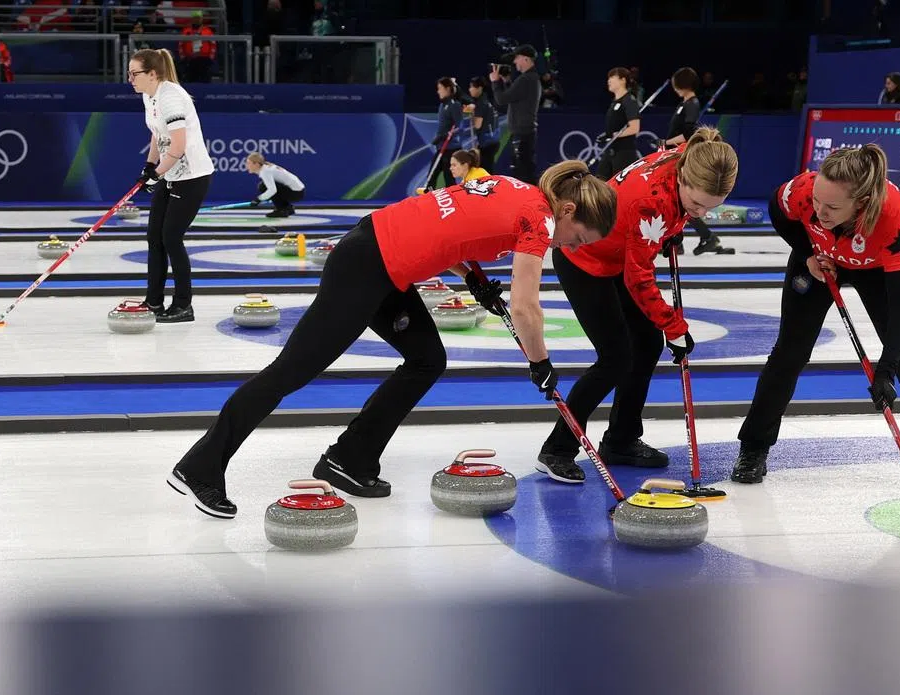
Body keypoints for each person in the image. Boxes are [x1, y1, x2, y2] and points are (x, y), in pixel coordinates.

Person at [169, 162, 619, 517]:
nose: (574, 248)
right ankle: (200, 467)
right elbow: (526, 307)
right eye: (578, 239)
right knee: (290, 372)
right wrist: (540, 362)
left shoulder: (513, 187)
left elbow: (454, 231)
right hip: (366, 266)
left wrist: (475, 278)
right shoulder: (537, 221)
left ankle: (350, 458)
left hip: (383, 263)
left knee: (427, 359)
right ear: (567, 211)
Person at [730, 145, 900, 488]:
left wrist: (886, 369)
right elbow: (779, 211)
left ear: (860, 203)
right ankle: (753, 448)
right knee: (789, 353)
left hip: (875, 270)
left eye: (832, 207)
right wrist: (807, 254)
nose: (819, 212)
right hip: (820, 261)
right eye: (817, 201)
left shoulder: (890, 216)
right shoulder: (805, 191)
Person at [536, 130, 738, 483]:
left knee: (645, 344)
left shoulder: (688, 155)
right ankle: (557, 449)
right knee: (615, 358)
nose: (701, 213)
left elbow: (647, 246)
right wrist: (674, 326)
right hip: (583, 255)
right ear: (683, 177)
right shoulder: (652, 202)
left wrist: (677, 221)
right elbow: (639, 279)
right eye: (696, 204)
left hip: (617, 254)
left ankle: (621, 440)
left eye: (711, 207)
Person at [130, 48, 214, 324]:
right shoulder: (148, 95)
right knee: (154, 236)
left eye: (135, 73)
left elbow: (178, 144)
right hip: (171, 173)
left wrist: (157, 173)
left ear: (152, 74)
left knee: (171, 238)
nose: (130, 78)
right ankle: (153, 301)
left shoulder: (171, 97)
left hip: (192, 176)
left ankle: (183, 305)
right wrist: (149, 166)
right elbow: (158, 134)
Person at [660, 67, 728, 257]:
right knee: (677, 200)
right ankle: (679, 241)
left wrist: (666, 143)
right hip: (674, 153)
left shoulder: (692, 103)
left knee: (681, 200)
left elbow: (690, 133)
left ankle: (706, 236)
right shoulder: (685, 103)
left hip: (680, 155)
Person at [490, 43, 542, 184]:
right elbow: (513, 97)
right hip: (524, 131)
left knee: (523, 173)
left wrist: (495, 82)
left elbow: (501, 99)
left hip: (522, 132)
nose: (514, 62)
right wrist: (507, 82)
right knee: (523, 170)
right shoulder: (530, 78)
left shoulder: (526, 79)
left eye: (517, 58)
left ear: (526, 59)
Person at [594, 67, 642, 181]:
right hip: (611, 150)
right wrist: (607, 135)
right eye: (608, 78)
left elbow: (635, 128)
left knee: (620, 187)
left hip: (624, 153)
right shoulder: (615, 102)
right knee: (600, 182)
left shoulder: (629, 100)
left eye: (612, 77)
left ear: (623, 80)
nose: (608, 81)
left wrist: (614, 135)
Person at [246, 152, 305, 218]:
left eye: (248, 163)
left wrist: (258, 199)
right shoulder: (266, 168)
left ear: (256, 164)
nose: (246, 166)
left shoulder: (265, 171)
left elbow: (272, 190)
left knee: (263, 187)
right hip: (298, 191)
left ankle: (281, 210)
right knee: (263, 186)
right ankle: (287, 208)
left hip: (295, 193)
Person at [429, 77, 463, 190]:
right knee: (432, 175)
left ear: (447, 89)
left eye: (440, 88)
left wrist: (446, 135)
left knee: (448, 177)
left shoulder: (455, 105)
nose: (438, 91)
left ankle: (454, 201)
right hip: (441, 147)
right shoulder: (442, 105)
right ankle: (429, 200)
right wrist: (439, 138)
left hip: (451, 148)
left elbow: (460, 127)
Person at [467, 77, 500, 174]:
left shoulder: (481, 103)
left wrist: (472, 113)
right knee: (487, 170)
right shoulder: (488, 100)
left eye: (472, 87)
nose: (470, 89)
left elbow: (477, 125)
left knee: (486, 172)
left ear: (479, 88)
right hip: (493, 141)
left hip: (487, 143)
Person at [178, 11, 216, 84]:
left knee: (205, 81)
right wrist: (183, 57)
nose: (197, 20)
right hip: (190, 59)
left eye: (198, 18)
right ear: (192, 19)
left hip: (204, 59)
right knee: (190, 81)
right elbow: (180, 45)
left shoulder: (207, 31)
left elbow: (213, 45)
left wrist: (210, 58)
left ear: (202, 19)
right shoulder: (186, 31)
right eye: (195, 18)